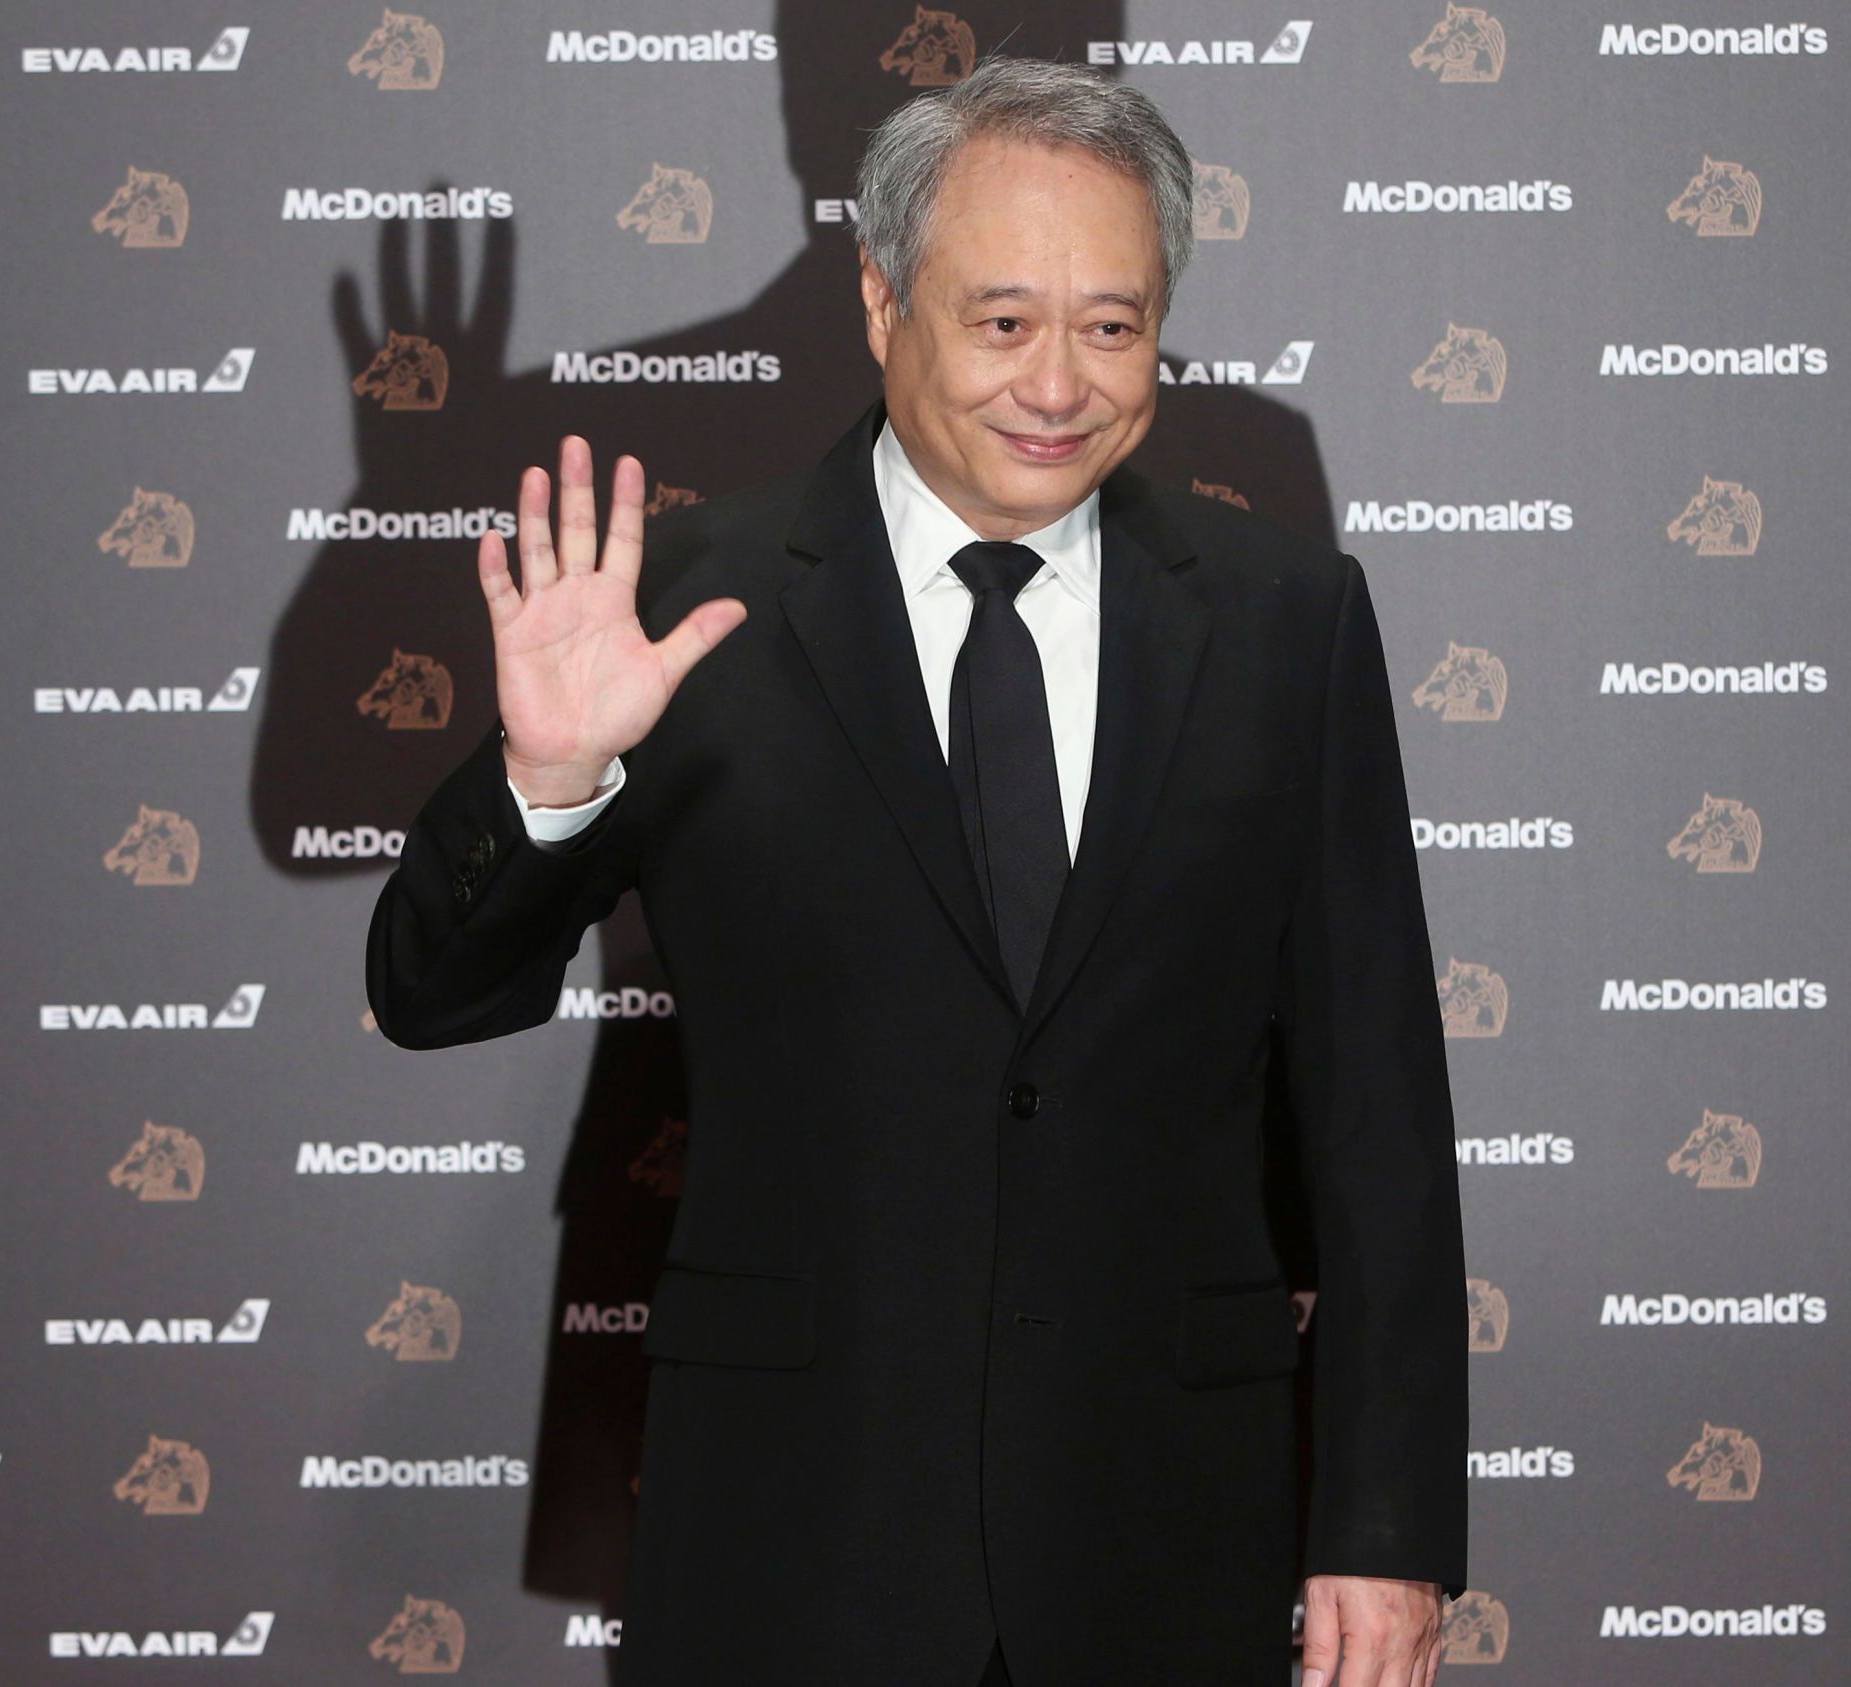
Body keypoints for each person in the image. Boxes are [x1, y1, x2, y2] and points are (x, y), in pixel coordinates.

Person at [365, 57, 1465, 1687]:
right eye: (1004, 321)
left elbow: (1374, 1105)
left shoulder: (1286, 617)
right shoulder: (687, 602)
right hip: (792, 1536)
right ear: (881, 300)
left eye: (1114, 322)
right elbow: (427, 994)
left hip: (1171, 1534)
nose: (1063, 383)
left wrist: (1382, 1519)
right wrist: (551, 774)